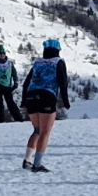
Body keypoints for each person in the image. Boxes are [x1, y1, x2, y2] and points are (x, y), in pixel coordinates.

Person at [21, 39, 70, 172]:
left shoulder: (37, 62)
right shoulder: (58, 62)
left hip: (31, 96)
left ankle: (27, 160)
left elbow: (26, 83)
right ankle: (37, 164)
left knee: (37, 130)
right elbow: (63, 82)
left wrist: (23, 101)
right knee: (44, 132)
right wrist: (65, 101)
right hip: (47, 96)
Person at [0, 45, 23, 123]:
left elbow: (14, 73)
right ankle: (0, 120)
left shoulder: (10, 63)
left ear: (5, 54)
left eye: (3, 53)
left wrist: (16, 82)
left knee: (10, 103)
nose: (2, 55)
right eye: (0, 54)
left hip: (7, 86)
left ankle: (18, 118)